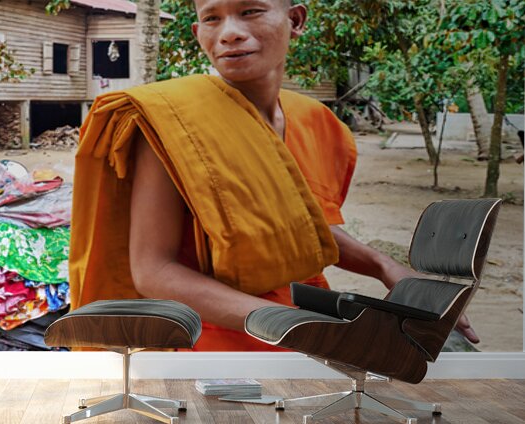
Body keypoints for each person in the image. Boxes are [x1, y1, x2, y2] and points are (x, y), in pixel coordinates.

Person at [69, 0, 479, 350]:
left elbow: (297, 226)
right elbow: (153, 271)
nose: (229, 32)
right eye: (212, 18)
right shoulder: (172, 123)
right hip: (217, 339)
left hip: (310, 314)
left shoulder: (317, 122)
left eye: (250, 11)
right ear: (197, 32)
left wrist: (383, 266)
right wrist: (300, 326)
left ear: (296, 20)